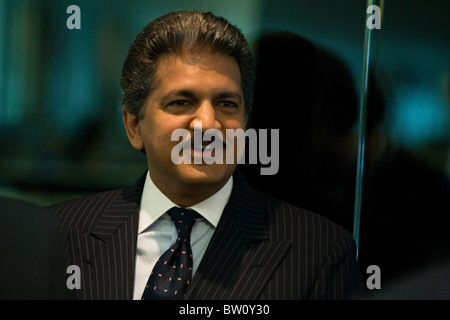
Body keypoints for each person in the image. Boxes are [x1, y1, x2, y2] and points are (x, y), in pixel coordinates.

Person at [45, 10, 364, 300]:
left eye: (227, 104)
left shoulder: (317, 251)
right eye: (182, 102)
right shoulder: (58, 235)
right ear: (134, 126)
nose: (208, 125)